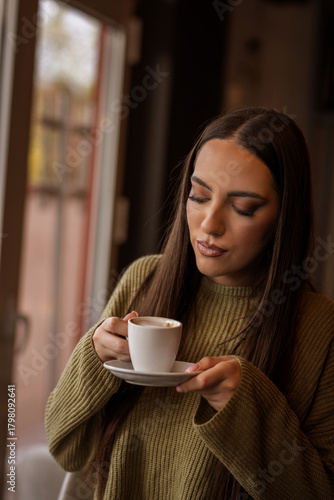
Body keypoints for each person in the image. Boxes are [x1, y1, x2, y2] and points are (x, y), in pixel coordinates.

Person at [45, 107, 334, 499]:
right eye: (198, 196)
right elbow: (65, 449)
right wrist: (94, 359)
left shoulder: (321, 329)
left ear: (285, 215)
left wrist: (249, 409)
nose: (209, 224)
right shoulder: (145, 280)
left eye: (243, 208)